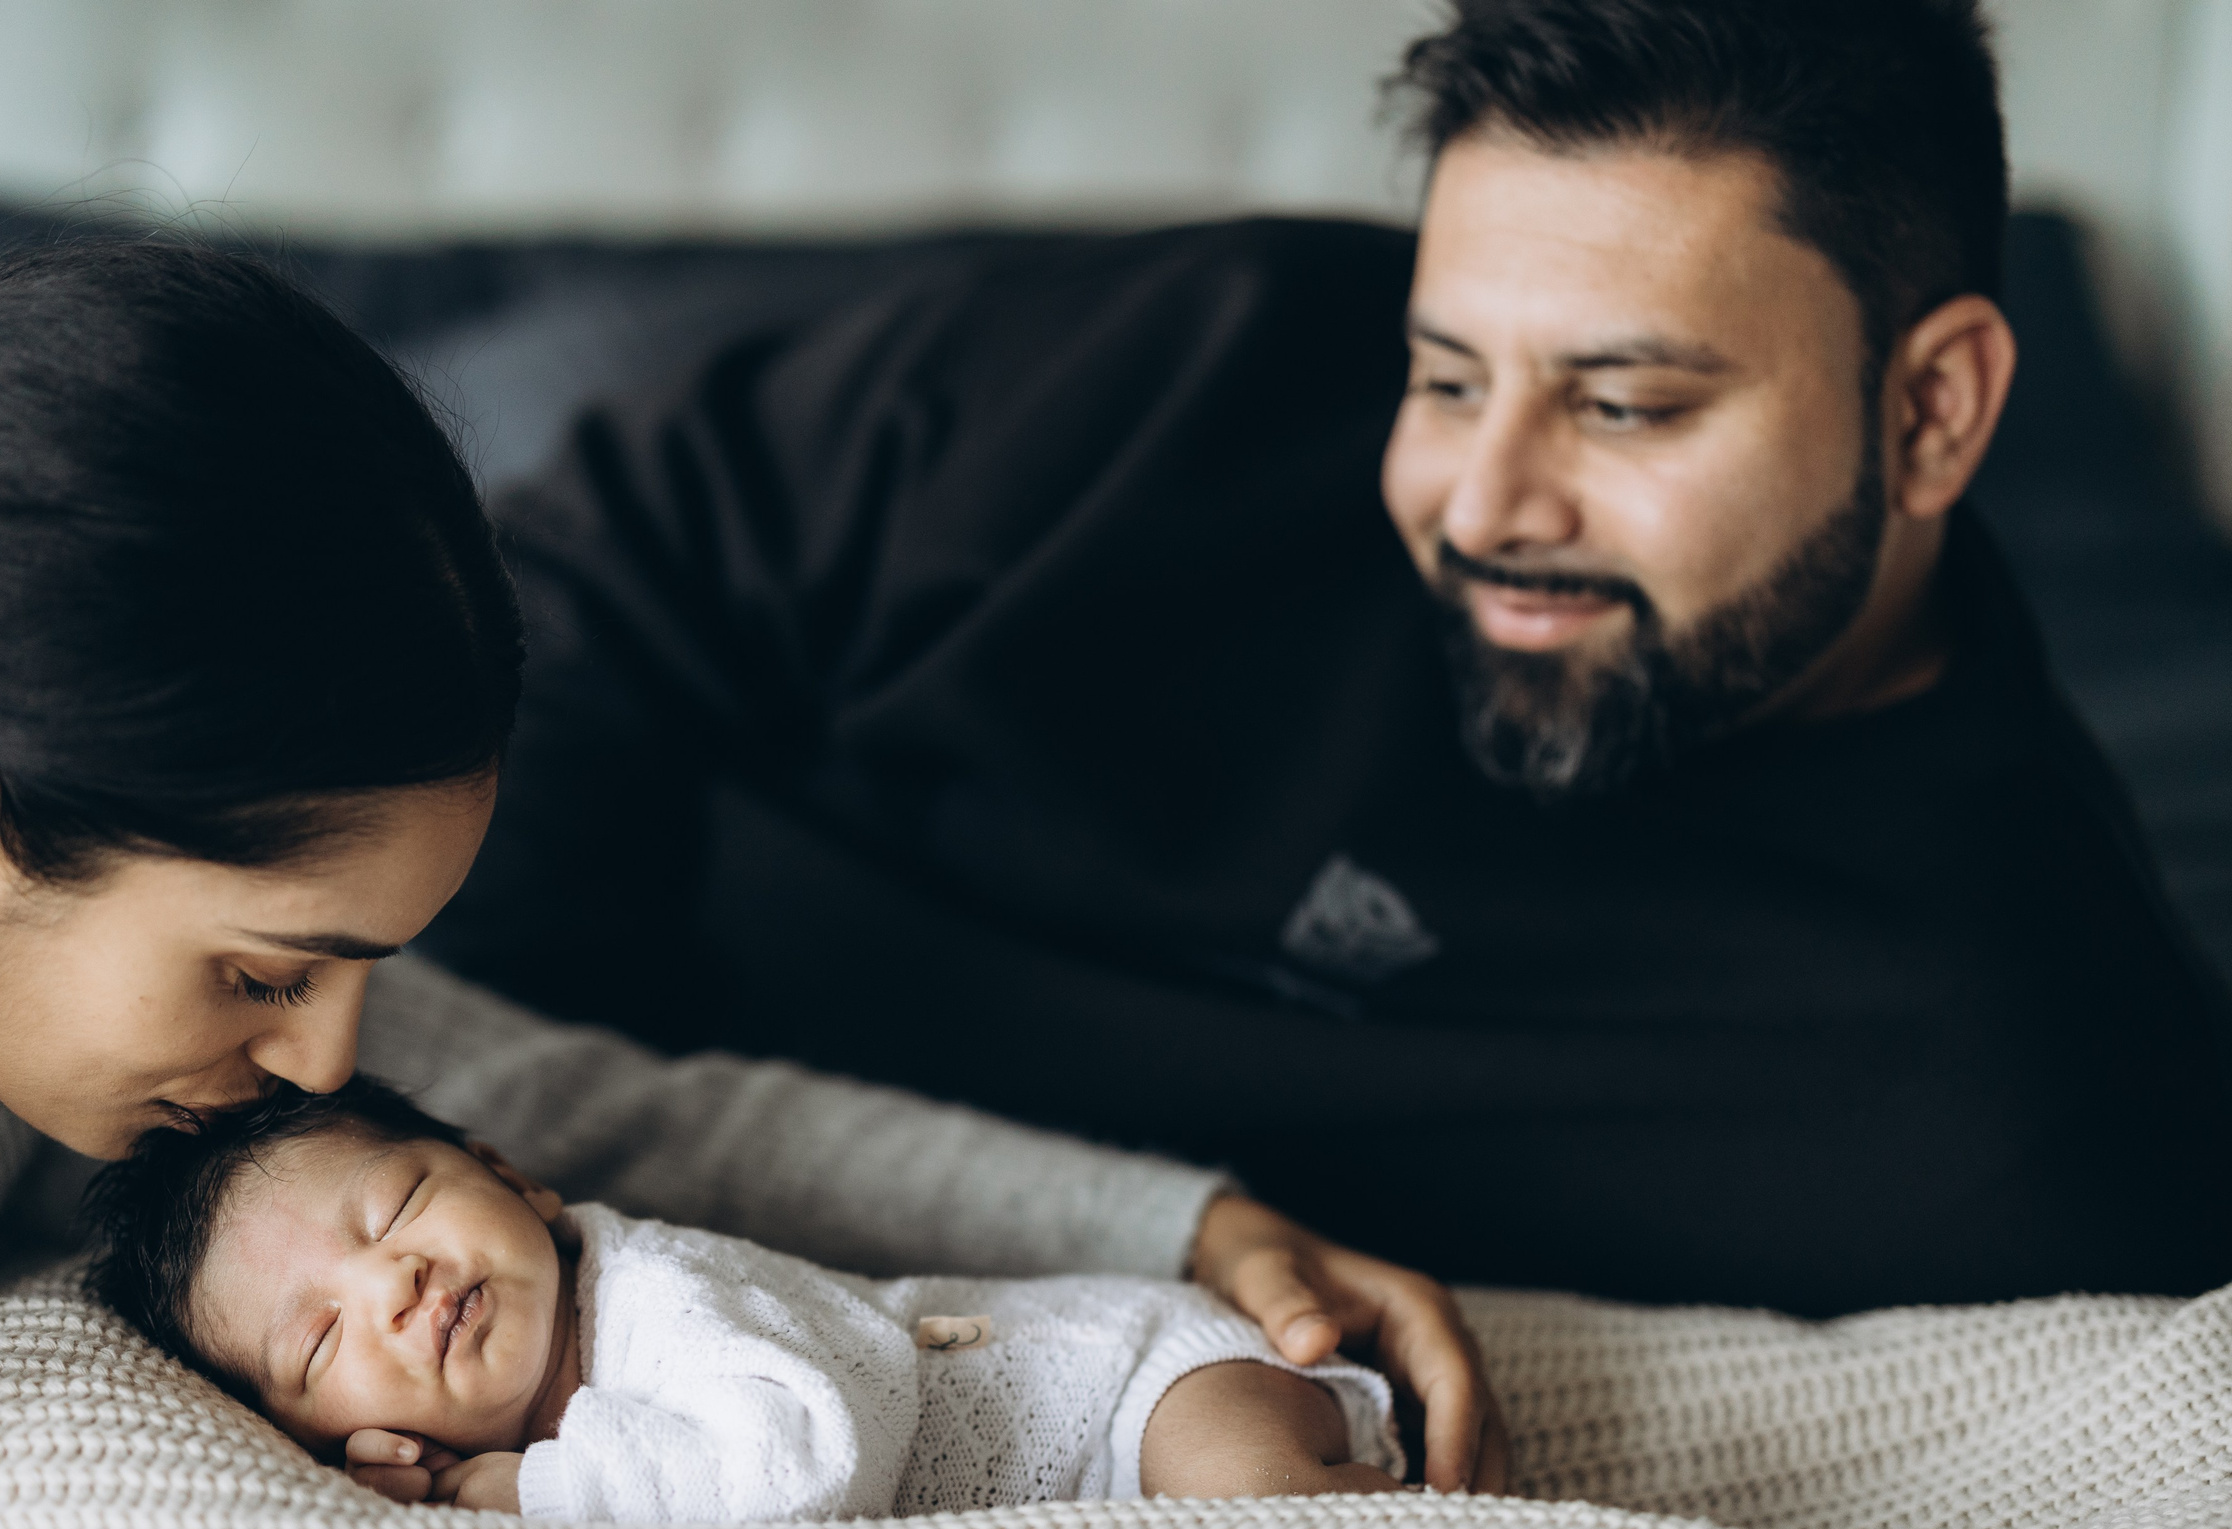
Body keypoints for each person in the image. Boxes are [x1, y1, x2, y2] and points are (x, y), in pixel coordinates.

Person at [0, 239, 1499, 1529]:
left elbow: (600, 1107)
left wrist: (1187, 1227)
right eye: (265, 972)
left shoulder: (59, 990)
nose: (324, 1065)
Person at [437, 0, 2232, 1317]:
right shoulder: (1203, 364)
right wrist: (559, 1142)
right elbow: (578, 575)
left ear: (1933, 410)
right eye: (1448, 376)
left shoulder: (2031, 1115)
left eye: (1625, 403)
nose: (1480, 502)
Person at [82, 1076, 1408, 1521]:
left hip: (1131, 1383)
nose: (395, 1282)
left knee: (1255, 1520)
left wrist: (525, 1493)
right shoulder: (512, 1444)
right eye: (318, 1341)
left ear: (514, 1179)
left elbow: (807, 1457)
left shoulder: (658, 1292)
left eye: (401, 1207)